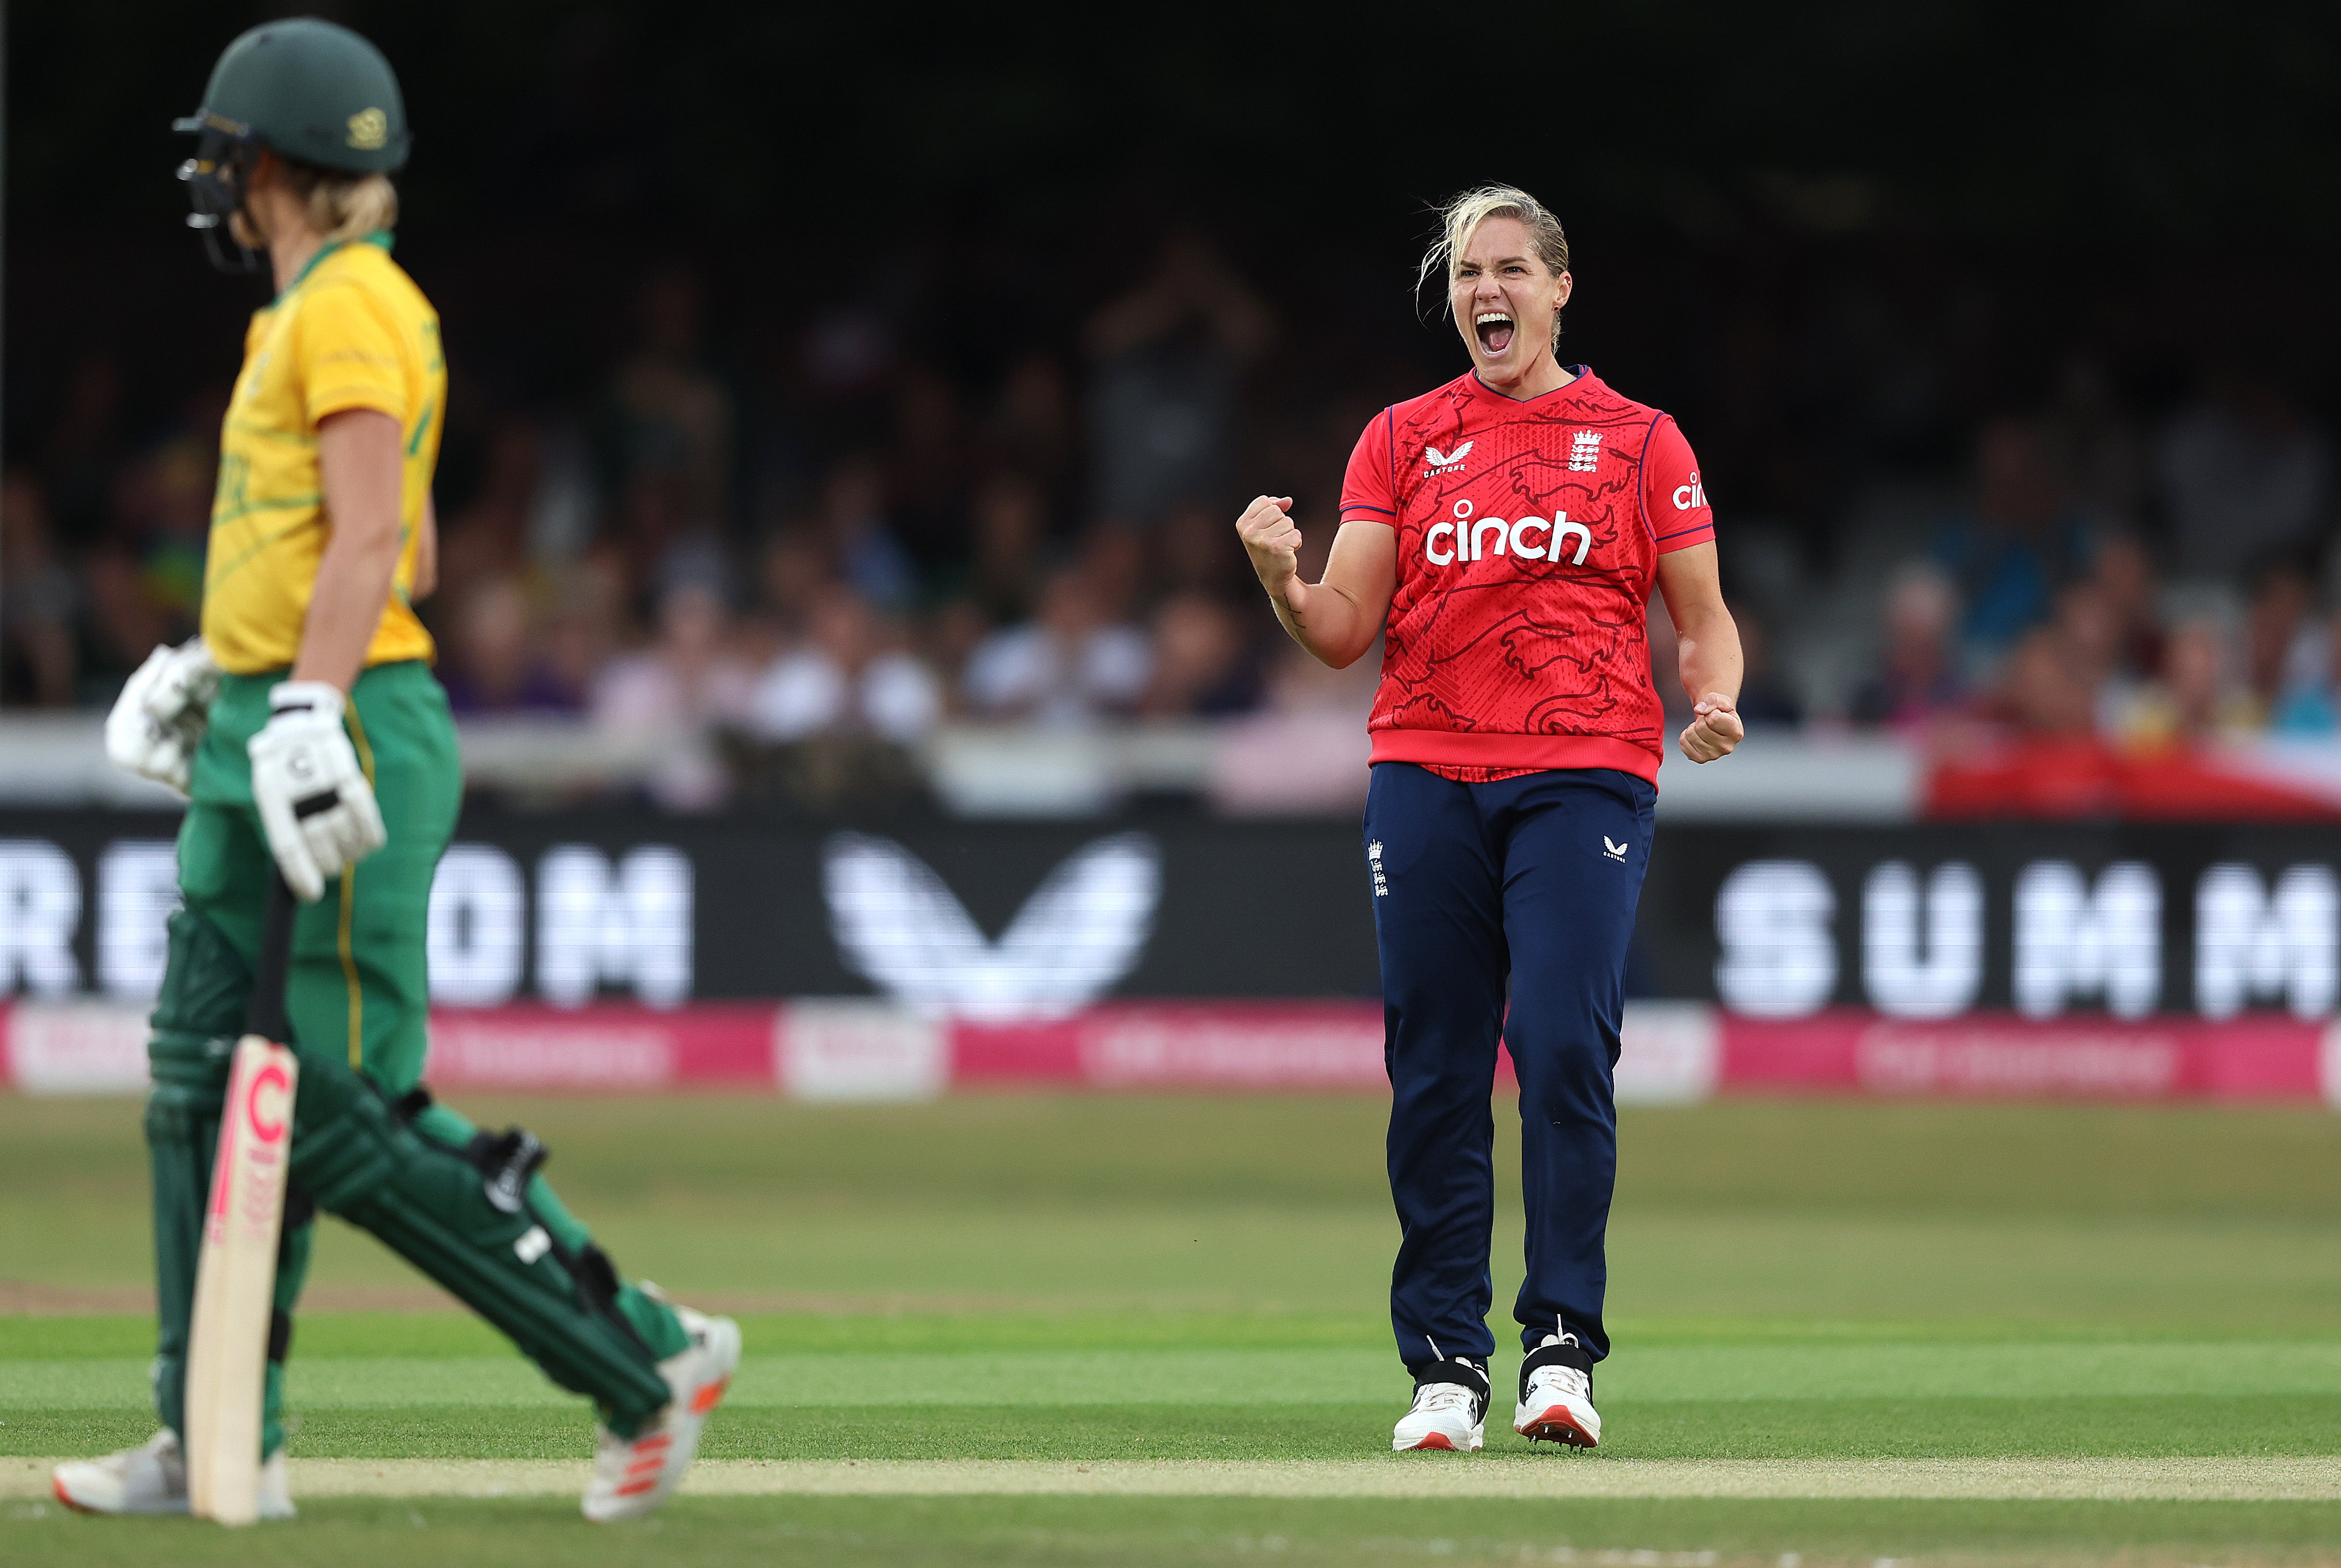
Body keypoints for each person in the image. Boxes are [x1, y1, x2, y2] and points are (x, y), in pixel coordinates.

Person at [57, 20, 736, 1524]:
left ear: (281, 166)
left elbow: (378, 545)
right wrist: (218, 664)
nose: (216, 181)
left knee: (337, 1103)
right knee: (196, 1078)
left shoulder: (352, 303)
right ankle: (212, 1434)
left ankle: (645, 1358)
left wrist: (300, 696)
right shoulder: (303, 314)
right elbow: (401, 538)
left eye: (230, 155)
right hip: (278, 707)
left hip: (342, 718)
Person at [1235, 186, 1743, 1455]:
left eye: (1511, 268)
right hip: (1425, 767)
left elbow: (1704, 611)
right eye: (1468, 273)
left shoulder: (1641, 440)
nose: (1486, 290)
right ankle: (1447, 1366)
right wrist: (1281, 586)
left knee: (1565, 1040)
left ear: (1560, 287)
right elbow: (1345, 631)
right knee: (1438, 1064)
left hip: (1588, 769)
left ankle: (1562, 1349)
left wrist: (1717, 696)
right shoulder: (1402, 440)